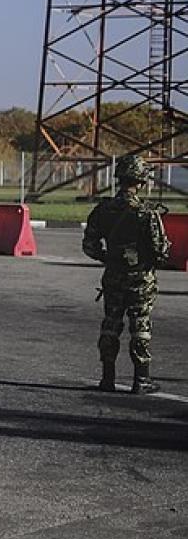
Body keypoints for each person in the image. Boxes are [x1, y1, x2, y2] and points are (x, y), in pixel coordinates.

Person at [82, 155, 171, 394]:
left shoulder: (102, 210)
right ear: (140, 181)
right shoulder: (146, 213)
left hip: (113, 277)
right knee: (140, 327)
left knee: (111, 325)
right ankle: (141, 379)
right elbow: (161, 252)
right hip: (140, 279)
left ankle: (107, 378)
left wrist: (110, 259)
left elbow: (89, 246)